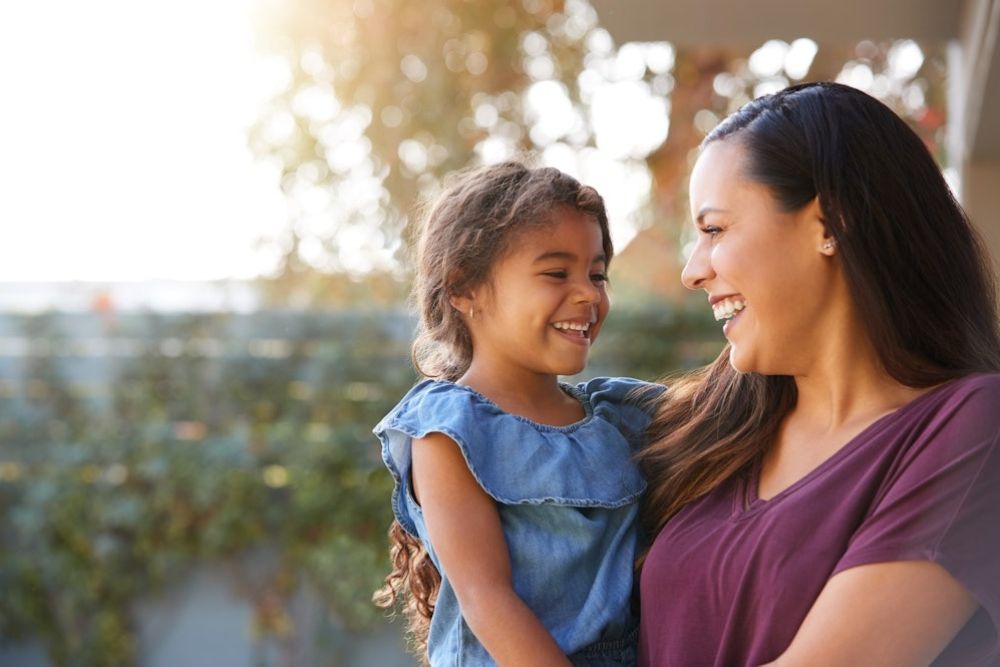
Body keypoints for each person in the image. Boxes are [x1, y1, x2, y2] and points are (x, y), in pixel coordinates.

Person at [637, 81, 1000, 666]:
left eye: (714, 230)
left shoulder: (975, 430)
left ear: (832, 222)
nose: (691, 271)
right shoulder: (703, 429)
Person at [373, 161, 657, 666]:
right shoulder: (448, 430)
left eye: (597, 274)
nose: (590, 293)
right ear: (464, 288)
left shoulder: (621, 416)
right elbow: (488, 600)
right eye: (556, 273)